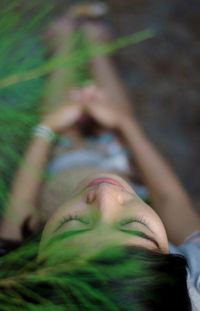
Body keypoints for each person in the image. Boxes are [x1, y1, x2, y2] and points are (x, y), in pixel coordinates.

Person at [0, 4, 199, 310]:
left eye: (74, 225)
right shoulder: (194, 282)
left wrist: (47, 128)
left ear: (36, 260)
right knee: (112, 114)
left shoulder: (12, 282)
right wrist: (124, 124)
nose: (106, 194)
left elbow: (17, 217)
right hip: (118, 159)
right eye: (136, 228)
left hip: (63, 165)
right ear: (173, 263)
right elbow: (172, 202)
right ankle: (96, 46)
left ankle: (63, 44)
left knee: (64, 122)